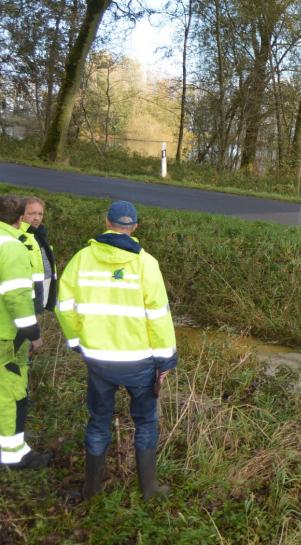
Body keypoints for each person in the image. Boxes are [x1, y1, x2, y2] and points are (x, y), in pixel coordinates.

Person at [56, 200, 178, 500]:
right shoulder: (146, 263)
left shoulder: (82, 259)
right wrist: (165, 360)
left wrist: (76, 342)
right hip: (139, 360)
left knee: (98, 421)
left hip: (98, 359)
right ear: (134, 227)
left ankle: (91, 490)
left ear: (107, 222)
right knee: (146, 421)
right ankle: (149, 489)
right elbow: (158, 315)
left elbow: (64, 307)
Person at [0, 195, 49, 470]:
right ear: (20, 218)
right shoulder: (13, 247)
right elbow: (18, 297)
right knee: (11, 394)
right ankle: (12, 455)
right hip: (6, 334)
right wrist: (33, 333)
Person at [19, 197, 57, 313]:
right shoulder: (18, 236)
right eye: (31, 213)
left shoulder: (40, 234)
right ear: (21, 215)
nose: (36, 218)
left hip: (40, 297)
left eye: (40, 214)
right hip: (24, 300)